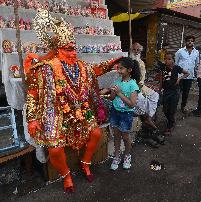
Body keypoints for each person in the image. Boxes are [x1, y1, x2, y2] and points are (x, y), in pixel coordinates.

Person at [25, 9, 120, 193]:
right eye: (69, 49)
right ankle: (66, 175)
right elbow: (33, 93)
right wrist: (32, 118)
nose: (74, 52)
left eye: (75, 48)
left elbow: (97, 70)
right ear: (58, 50)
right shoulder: (45, 68)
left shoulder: (82, 66)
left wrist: (112, 63)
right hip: (56, 113)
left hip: (80, 110)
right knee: (54, 149)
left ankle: (86, 163)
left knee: (96, 134)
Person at [107, 57, 140, 170]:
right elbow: (112, 98)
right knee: (116, 135)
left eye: (121, 68)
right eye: (118, 68)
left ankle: (127, 155)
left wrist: (119, 93)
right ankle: (117, 156)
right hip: (115, 112)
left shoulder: (133, 85)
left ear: (129, 70)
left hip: (126, 114)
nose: (119, 71)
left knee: (125, 137)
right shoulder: (117, 82)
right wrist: (112, 92)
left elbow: (132, 104)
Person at [130, 43, 163, 147]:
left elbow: (142, 79)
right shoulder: (128, 62)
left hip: (140, 86)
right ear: (131, 50)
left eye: (138, 50)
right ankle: (152, 131)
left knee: (155, 96)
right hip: (132, 89)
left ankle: (150, 129)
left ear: (140, 51)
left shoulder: (141, 63)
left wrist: (140, 86)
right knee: (141, 103)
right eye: (134, 49)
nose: (136, 51)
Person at [160, 53, 189, 135]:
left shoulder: (176, 67)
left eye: (169, 59)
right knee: (165, 109)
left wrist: (179, 78)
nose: (167, 60)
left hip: (175, 91)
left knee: (172, 110)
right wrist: (159, 89)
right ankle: (171, 120)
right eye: (165, 58)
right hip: (166, 91)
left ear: (173, 60)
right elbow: (161, 78)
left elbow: (187, 73)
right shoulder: (163, 67)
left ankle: (169, 126)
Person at [175, 35, 199, 114]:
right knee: (177, 92)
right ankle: (174, 106)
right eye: (188, 40)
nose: (190, 42)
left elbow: (196, 64)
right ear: (185, 42)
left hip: (190, 76)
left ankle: (183, 107)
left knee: (186, 93)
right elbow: (176, 63)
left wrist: (195, 73)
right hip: (180, 76)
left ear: (193, 42)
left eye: (191, 41)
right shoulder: (180, 51)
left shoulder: (196, 52)